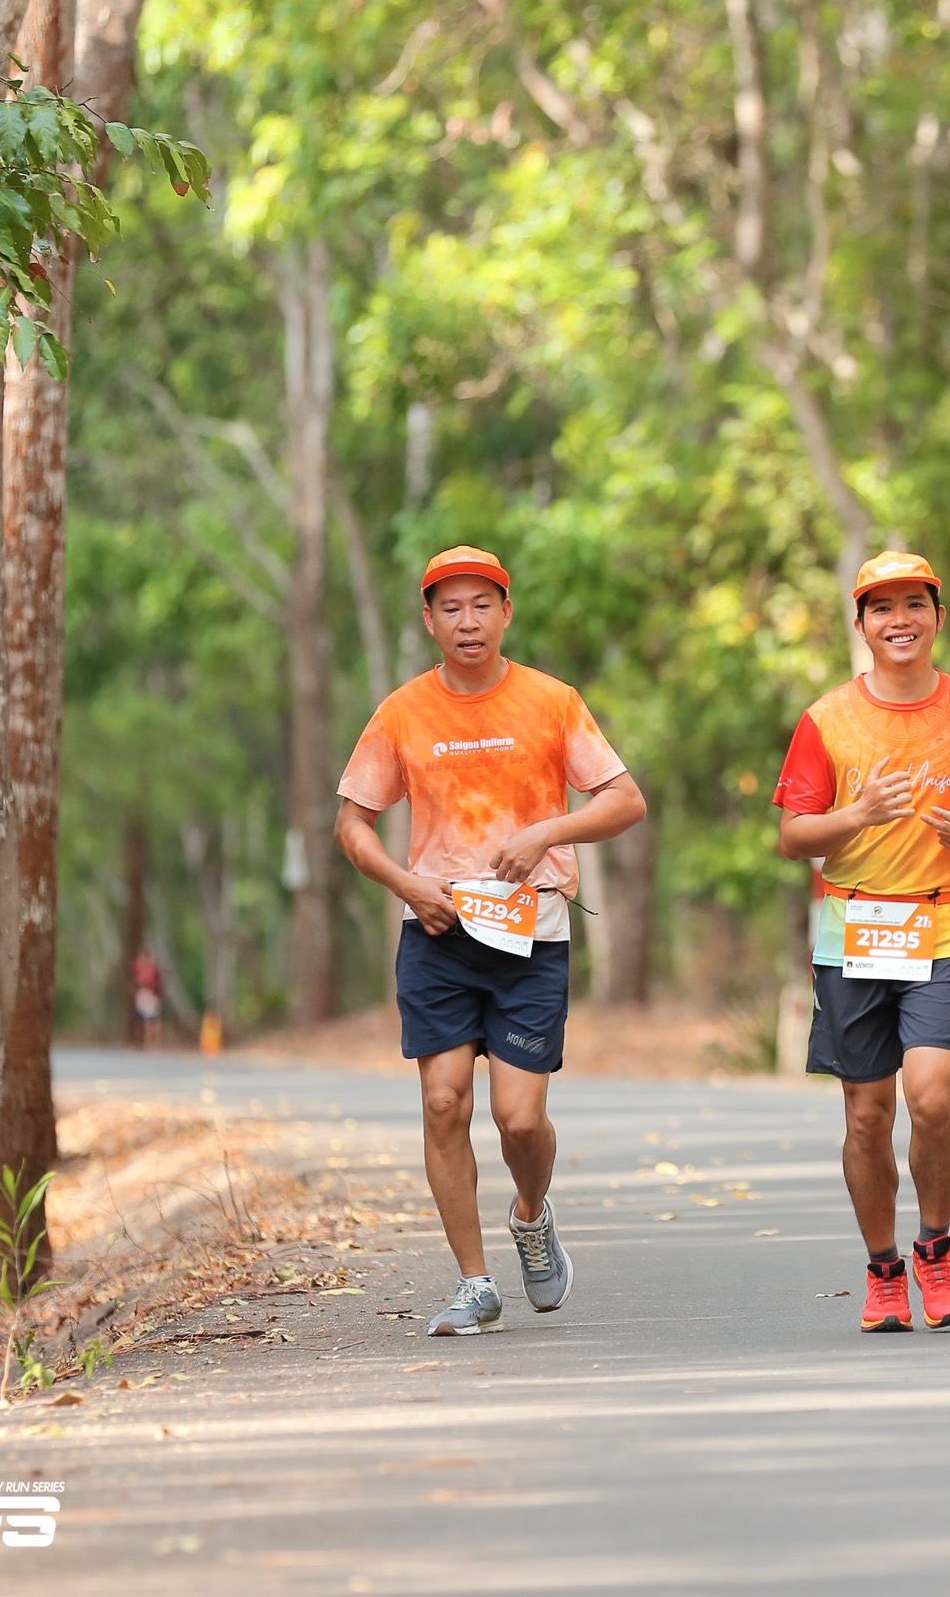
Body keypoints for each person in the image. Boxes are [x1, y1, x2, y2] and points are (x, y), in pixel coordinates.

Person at [337, 545, 648, 1337]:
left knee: (517, 1119)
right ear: (430, 621)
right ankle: (474, 1282)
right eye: (451, 607)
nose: (467, 620)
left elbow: (625, 801)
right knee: (443, 1101)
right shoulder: (403, 711)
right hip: (437, 930)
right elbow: (353, 827)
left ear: (507, 613)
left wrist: (547, 829)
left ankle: (533, 1215)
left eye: (483, 604)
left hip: (529, 934)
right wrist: (408, 887)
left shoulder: (551, 702)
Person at [774, 551, 950, 1333]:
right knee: (866, 1116)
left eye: (915, 604)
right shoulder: (826, 719)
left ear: (938, 617)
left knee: (932, 1097)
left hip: (943, 920)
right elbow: (791, 836)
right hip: (851, 926)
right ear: (861, 626)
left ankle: (936, 1247)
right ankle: (884, 1270)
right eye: (882, 609)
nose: (900, 620)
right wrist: (858, 815)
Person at [131, 952, 166, 1050]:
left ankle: (154, 1043)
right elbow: (136, 981)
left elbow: (159, 983)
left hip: (151, 996)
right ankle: (148, 1043)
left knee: (153, 1021)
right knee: (146, 1021)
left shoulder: (153, 969)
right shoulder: (139, 968)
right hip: (144, 995)